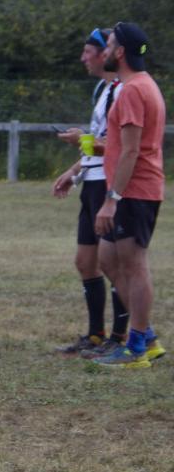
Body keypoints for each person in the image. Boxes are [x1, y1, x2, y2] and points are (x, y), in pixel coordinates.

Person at [92, 21, 165, 369]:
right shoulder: (137, 85)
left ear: (120, 52)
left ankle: (136, 348)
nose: (103, 51)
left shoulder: (135, 89)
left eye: (108, 45)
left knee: (135, 265)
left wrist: (112, 199)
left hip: (135, 191)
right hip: (130, 191)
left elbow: (131, 150)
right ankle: (145, 336)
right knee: (108, 259)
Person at [51, 28, 127, 358]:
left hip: (109, 183)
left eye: (88, 51)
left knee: (114, 263)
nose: (83, 58)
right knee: (86, 262)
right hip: (92, 180)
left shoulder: (124, 90)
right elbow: (97, 141)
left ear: (105, 54)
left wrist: (81, 140)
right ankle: (96, 335)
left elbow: (120, 146)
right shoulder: (102, 89)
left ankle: (121, 337)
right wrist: (75, 172)